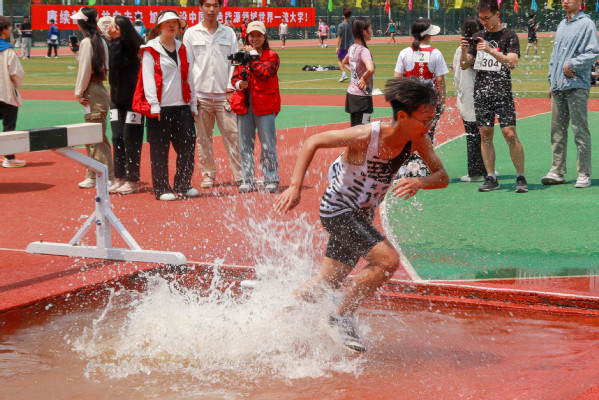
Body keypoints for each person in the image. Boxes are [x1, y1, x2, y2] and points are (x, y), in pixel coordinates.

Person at [275, 77, 449, 353]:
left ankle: (274, 316)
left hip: (361, 215)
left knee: (328, 281)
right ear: (402, 116)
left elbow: (442, 176)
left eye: (432, 120)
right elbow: (313, 141)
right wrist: (295, 186)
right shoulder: (366, 136)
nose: (430, 126)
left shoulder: (417, 139)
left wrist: (420, 182)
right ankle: (340, 317)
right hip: (338, 210)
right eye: (425, 120)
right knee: (388, 260)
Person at [460, 0, 527, 193]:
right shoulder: (477, 37)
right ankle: (491, 177)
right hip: (481, 92)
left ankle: (521, 176)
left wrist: (490, 50)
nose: (484, 22)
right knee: (485, 134)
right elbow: (465, 65)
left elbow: (511, 63)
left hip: (502, 91)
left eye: (487, 18)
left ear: (497, 15)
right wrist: (464, 50)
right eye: (481, 19)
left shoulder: (509, 35)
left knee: (510, 133)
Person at [183, 0, 243, 190]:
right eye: (207, 5)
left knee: (233, 136)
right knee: (203, 139)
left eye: (215, 5)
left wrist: (230, 88)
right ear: (200, 7)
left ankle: (241, 175)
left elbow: (235, 63)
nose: (211, 9)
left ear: (220, 8)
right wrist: (192, 97)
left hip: (225, 96)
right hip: (201, 97)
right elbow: (188, 65)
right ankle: (208, 175)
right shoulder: (191, 33)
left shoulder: (228, 33)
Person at [139, 10, 199, 201]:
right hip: (160, 108)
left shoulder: (182, 48)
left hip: (182, 106)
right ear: (159, 27)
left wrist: (193, 104)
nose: (172, 26)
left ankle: (183, 184)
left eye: (175, 23)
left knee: (187, 147)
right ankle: (162, 188)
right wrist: (154, 105)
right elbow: (148, 78)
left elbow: (189, 77)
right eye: (168, 23)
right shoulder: (150, 49)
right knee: (159, 150)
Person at [542, 0, 599, 189]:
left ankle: (584, 173)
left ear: (579, 1)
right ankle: (557, 171)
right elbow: (555, 55)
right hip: (559, 86)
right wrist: (552, 80)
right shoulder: (561, 24)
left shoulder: (586, 24)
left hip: (576, 85)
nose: (565, 1)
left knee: (579, 130)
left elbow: (592, 53)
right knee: (557, 131)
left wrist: (572, 65)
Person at [230, 21, 281, 194]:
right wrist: (238, 84)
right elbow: (235, 77)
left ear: (265, 37)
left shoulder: (272, 55)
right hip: (244, 104)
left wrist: (252, 55)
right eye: (252, 35)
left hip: (265, 105)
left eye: (259, 35)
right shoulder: (241, 55)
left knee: (268, 144)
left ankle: (271, 179)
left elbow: (265, 73)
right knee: (245, 145)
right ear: (247, 37)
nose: (255, 39)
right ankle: (247, 179)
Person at [70, 8, 115, 189]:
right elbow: (99, 65)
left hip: (92, 90)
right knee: (94, 135)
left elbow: (85, 70)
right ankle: (94, 174)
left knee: (96, 135)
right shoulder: (100, 40)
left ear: (81, 23)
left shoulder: (88, 42)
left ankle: (106, 175)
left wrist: (78, 92)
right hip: (98, 89)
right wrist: (78, 53)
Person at [104, 16, 145, 195]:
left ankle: (132, 180)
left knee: (131, 139)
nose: (111, 28)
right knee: (117, 137)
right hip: (116, 100)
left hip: (133, 102)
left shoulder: (134, 49)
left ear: (123, 30)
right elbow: (111, 67)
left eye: (115, 27)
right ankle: (120, 177)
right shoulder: (115, 44)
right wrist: (114, 40)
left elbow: (116, 62)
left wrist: (115, 41)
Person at [394, 18, 448, 144]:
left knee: (410, 135)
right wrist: (442, 102)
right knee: (428, 135)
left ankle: (411, 156)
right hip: (430, 102)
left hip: (410, 101)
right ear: (428, 35)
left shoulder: (404, 53)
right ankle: (425, 156)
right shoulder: (436, 53)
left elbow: (397, 78)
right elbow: (440, 80)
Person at [454, 17, 486, 182]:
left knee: (474, 134)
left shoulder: (461, 51)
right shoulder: (480, 50)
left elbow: (457, 74)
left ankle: (479, 170)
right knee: (481, 135)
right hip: (479, 95)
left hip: (467, 96)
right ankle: (482, 170)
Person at [0, 16, 26, 168]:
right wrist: (16, 85)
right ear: (4, 30)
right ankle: (8, 157)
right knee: (9, 126)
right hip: (5, 94)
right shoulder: (8, 50)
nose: (10, 30)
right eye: (8, 28)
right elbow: (16, 73)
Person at [343, 17, 375, 127]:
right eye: (370, 28)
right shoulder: (364, 50)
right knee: (365, 128)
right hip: (363, 98)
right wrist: (364, 78)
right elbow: (370, 69)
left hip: (352, 95)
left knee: (355, 130)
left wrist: (356, 73)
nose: (371, 31)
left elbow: (344, 62)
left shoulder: (352, 48)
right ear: (364, 32)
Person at [336, 8, 353, 83]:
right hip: (353, 46)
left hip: (344, 46)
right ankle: (353, 75)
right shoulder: (354, 24)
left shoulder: (341, 25)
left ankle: (344, 74)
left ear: (343, 15)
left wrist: (337, 47)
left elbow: (339, 37)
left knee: (340, 60)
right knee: (351, 62)